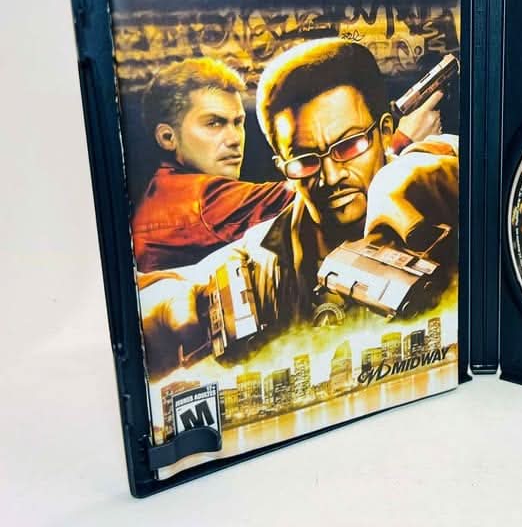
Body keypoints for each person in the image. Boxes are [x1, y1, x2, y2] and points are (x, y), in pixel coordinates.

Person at [138, 39, 458, 378]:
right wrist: (166, 312)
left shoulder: (425, 180)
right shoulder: (260, 261)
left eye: (350, 145)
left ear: (385, 131)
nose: (331, 176)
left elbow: (449, 163)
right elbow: (162, 299)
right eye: (305, 161)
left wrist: (416, 171)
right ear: (282, 167)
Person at [131, 57, 294, 272]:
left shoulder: (161, 193)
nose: (235, 139)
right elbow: (313, 192)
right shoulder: (199, 198)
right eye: (214, 123)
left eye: (238, 122)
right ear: (168, 137)